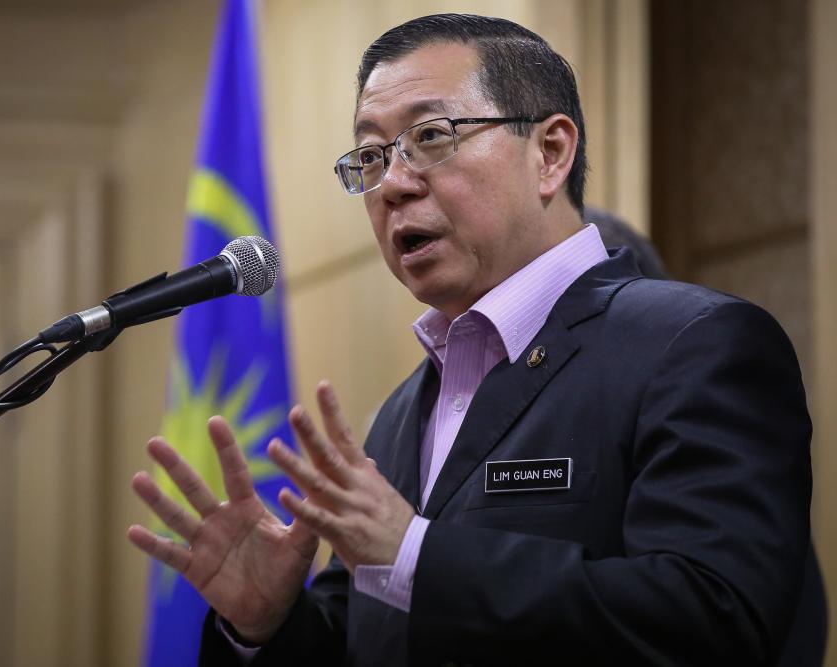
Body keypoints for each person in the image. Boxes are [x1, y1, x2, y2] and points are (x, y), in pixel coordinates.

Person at [127, 14, 819, 666]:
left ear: (550, 153)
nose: (392, 183)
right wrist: (267, 624)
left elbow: (718, 618)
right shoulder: (401, 413)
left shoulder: (694, 344)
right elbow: (370, 641)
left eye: (431, 136)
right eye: (369, 155)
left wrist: (417, 556)